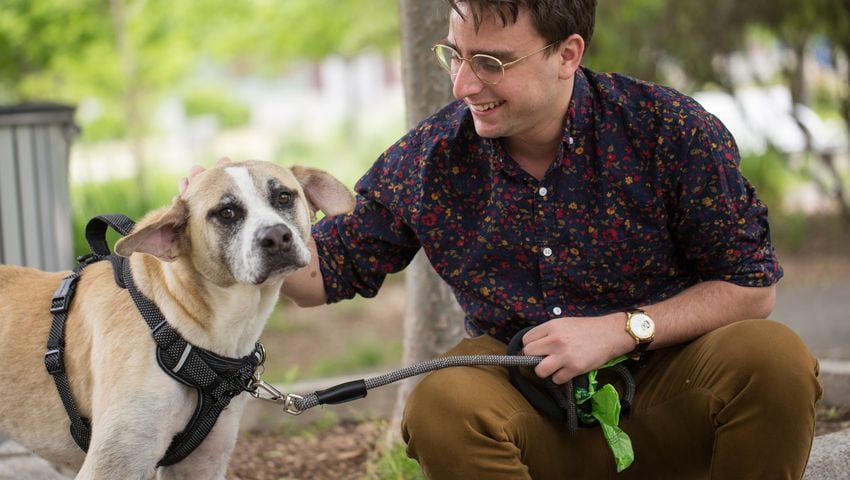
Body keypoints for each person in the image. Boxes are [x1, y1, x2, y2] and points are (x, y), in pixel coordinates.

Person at [185, 1, 821, 478]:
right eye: (455, 55)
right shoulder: (430, 158)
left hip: (670, 391)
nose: (464, 85)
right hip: (532, 415)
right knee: (441, 402)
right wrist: (223, 213)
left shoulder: (669, 130)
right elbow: (322, 274)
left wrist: (621, 329)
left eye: (492, 62)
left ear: (566, 54)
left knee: (773, 359)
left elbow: (750, 287)